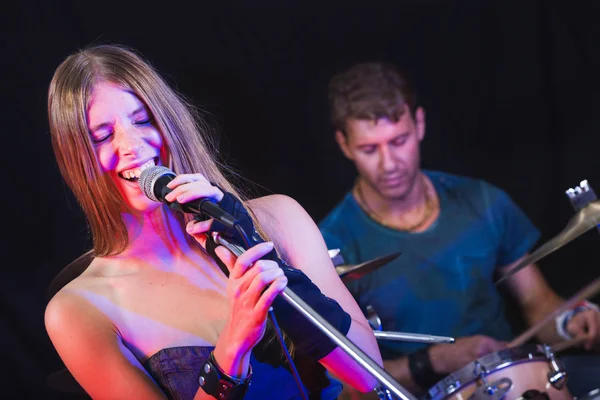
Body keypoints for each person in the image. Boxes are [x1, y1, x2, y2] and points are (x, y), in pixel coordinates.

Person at [43, 44, 384, 400]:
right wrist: (233, 347)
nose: (133, 144)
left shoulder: (280, 218)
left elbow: (371, 376)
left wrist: (262, 261)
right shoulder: (78, 309)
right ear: (76, 160)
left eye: (143, 119)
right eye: (102, 135)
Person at [318, 62, 600, 398]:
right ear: (344, 144)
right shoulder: (328, 247)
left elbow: (537, 302)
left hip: (515, 383)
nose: (389, 163)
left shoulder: (481, 201)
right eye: (369, 149)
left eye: (399, 140)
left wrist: (568, 323)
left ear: (419, 124)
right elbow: (347, 388)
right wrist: (433, 361)